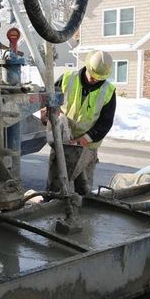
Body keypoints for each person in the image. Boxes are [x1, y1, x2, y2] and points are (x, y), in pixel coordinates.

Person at [43, 50, 117, 196]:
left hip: (87, 147)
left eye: (99, 78)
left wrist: (84, 139)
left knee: (83, 189)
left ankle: (81, 214)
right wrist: (46, 113)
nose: (95, 80)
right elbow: (49, 100)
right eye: (93, 76)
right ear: (87, 68)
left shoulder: (108, 91)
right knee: (55, 186)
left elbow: (105, 123)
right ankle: (52, 211)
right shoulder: (67, 79)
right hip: (62, 143)